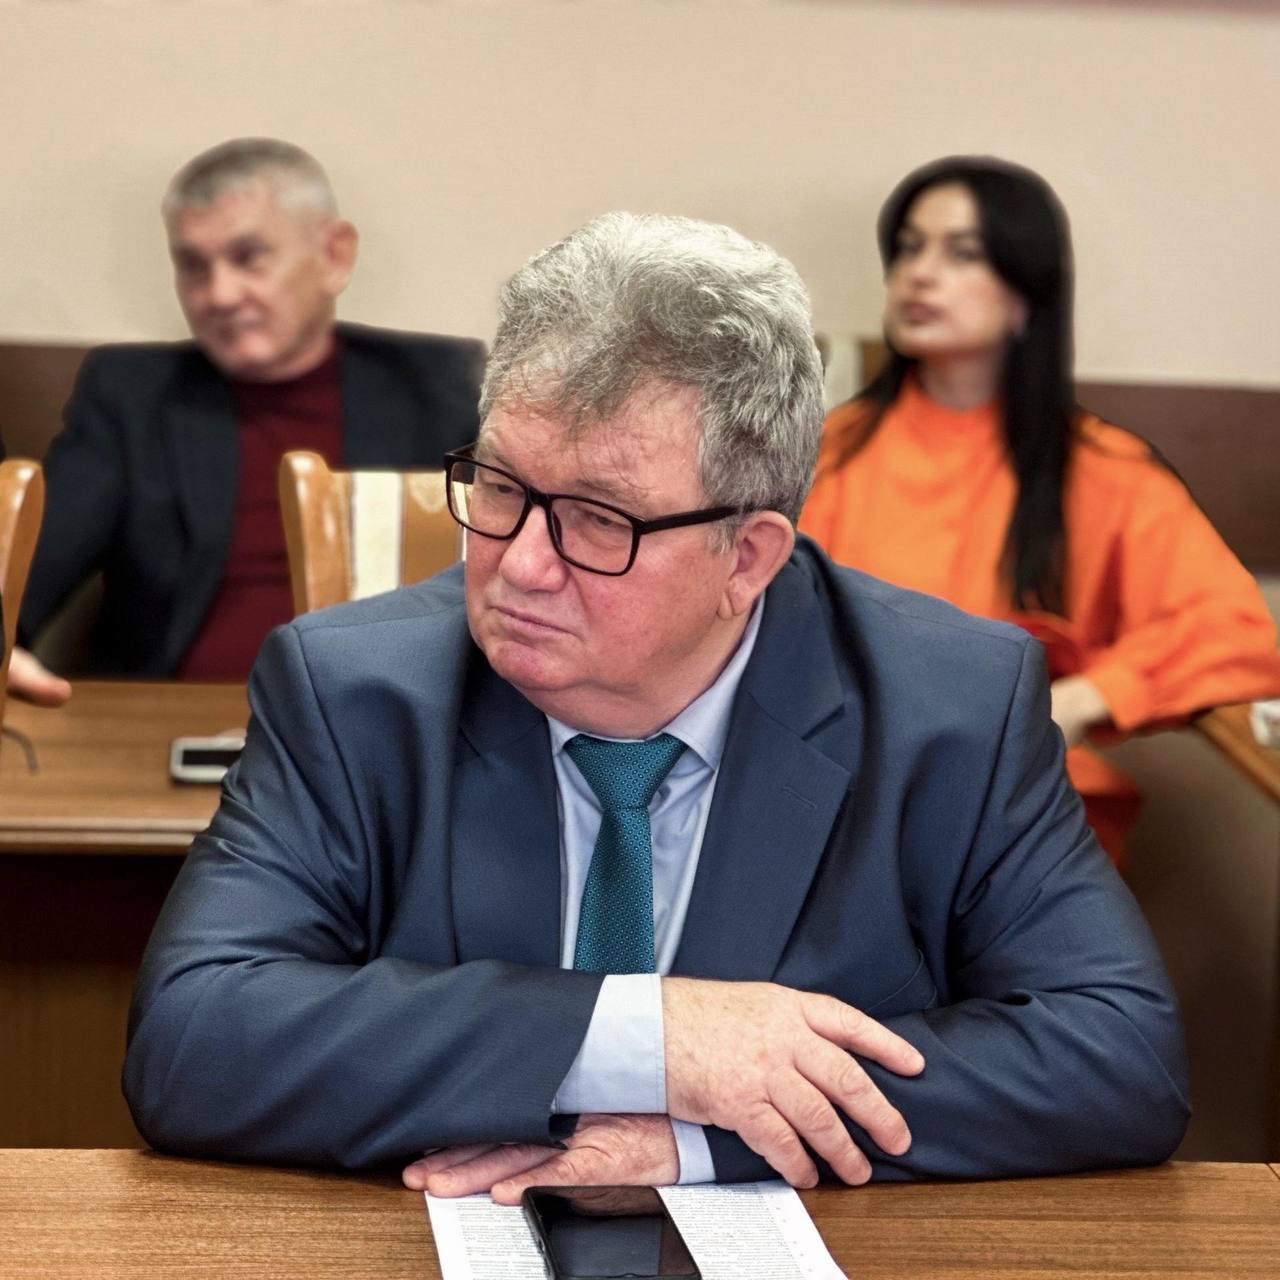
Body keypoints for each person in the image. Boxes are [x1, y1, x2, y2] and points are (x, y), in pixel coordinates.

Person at [123, 212, 1187, 1200]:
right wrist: (651, 1038)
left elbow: (1116, 1055)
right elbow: (191, 1037)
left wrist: (701, 1137)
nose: (521, 564)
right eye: (500, 486)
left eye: (598, 519)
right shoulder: (350, 692)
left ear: (748, 556)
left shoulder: (949, 708)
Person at [799, 156, 1280, 862]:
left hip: (1020, 820)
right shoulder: (825, 453)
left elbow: (1234, 634)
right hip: (844, 808)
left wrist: (1085, 697)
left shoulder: (1102, 469)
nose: (919, 274)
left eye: (962, 253)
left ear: (1026, 296)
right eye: (908, 248)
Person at [10, 138, 483, 702]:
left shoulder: (434, 389)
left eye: (248, 257)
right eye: (193, 266)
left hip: (375, 722)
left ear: (334, 256)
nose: (219, 294)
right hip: (174, 722)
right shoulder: (133, 396)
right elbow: (26, 569)